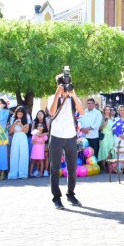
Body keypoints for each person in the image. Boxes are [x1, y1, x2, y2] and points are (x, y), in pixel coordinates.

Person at [48, 71, 85, 209]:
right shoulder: (53, 97)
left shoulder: (73, 98)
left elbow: (82, 112)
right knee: (55, 168)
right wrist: (58, 94)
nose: (66, 88)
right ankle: (56, 198)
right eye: (63, 85)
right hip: (56, 135)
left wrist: (73, 94)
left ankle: (71, 194)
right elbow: (51, 113)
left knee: (72, 168)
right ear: (58, 85)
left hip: (71, 136)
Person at [7, 106, 30, 179]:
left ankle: (23, 173)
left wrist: (21, 124)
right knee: (14, 154)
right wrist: (14, 124)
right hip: (15, 136)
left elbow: (26, 131)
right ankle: (13, 173)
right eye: (18, 114)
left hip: (23, 137)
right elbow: (11, 131)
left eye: (21, 114)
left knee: (23, 154)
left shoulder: (26, 120)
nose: (19, 115)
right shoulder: (13, 119)